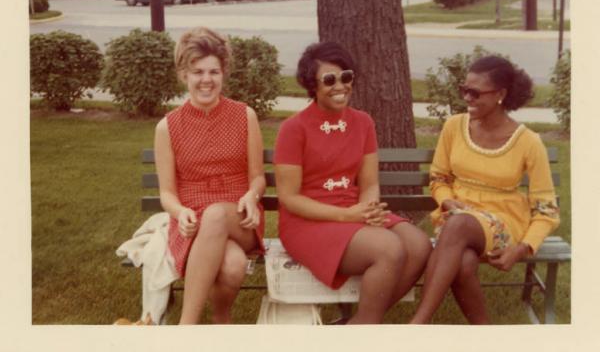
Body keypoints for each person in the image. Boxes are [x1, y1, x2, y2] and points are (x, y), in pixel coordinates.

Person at [274, 42, 432, 324]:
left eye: (346, 77)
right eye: (329, 79)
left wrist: (366, 209)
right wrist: (348, 216)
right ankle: (365, 332)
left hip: (353, 209)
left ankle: (357, 324)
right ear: (312, 84)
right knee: (389, 248)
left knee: (419, 245)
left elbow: (369, 182)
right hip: (307, 221)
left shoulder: (363, 123)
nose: (340, 86)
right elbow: (289, 197)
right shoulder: (293, 128)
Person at [410, 55, 560, 324]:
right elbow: (439, 178)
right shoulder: (454, 126)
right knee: (464, 263)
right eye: (464, 90)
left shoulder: (528, 142)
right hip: (457, 219)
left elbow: (546, 211)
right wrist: (447, 202)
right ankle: (486, 335)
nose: (467, 97)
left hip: (503, 223)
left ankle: (418, 324)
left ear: (501, 94)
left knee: (459, 226)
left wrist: (523, 248)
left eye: (475, 92)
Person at [154, 27, 266, 324]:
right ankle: (221, 318)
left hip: (239, 216)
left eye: (214, 72)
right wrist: (180, 213)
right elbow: (166, 193)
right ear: (183, 75)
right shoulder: (168, 127)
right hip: (192, 220)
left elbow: (258, 178)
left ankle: (185, 328)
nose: (206, 80)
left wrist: (252, 197)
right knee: (232, 265)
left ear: (223, 73)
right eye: (197, 72)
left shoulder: (245, 115)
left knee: (217, 215)